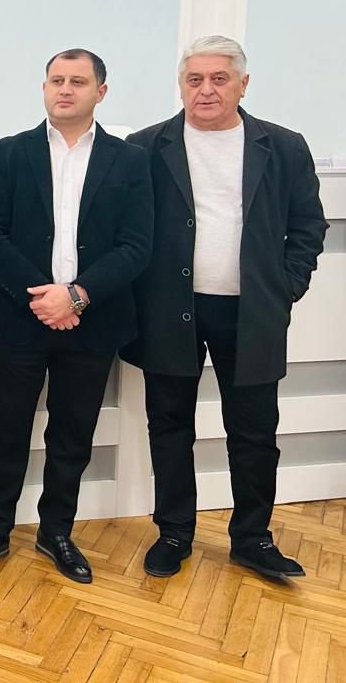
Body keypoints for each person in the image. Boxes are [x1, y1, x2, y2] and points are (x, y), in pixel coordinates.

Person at [123, 35, 326, 579]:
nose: (206, 90)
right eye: (195, 79)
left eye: (219, 78)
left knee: (254, 432)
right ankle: (174, 532)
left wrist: (285, 287)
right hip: (170, 310)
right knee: (169, 426)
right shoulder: (146, 147)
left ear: (243, 84)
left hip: (252, 312)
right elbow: (130, 230)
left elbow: (308, 226)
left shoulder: (283, 146)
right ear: (181, 86)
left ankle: (253, 538)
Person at [0, 49, 152, 584]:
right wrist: (42, 298)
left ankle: (57, 531)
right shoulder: (9, 152)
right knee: (6, 427)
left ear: (101, 92)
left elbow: (137, 245)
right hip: (19, 318)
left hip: (94, 320)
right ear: (44, 87)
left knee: (73, 432)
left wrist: (78, 296)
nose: (65, 89)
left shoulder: (130, 161)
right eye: (56, 80)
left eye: (78, 81)